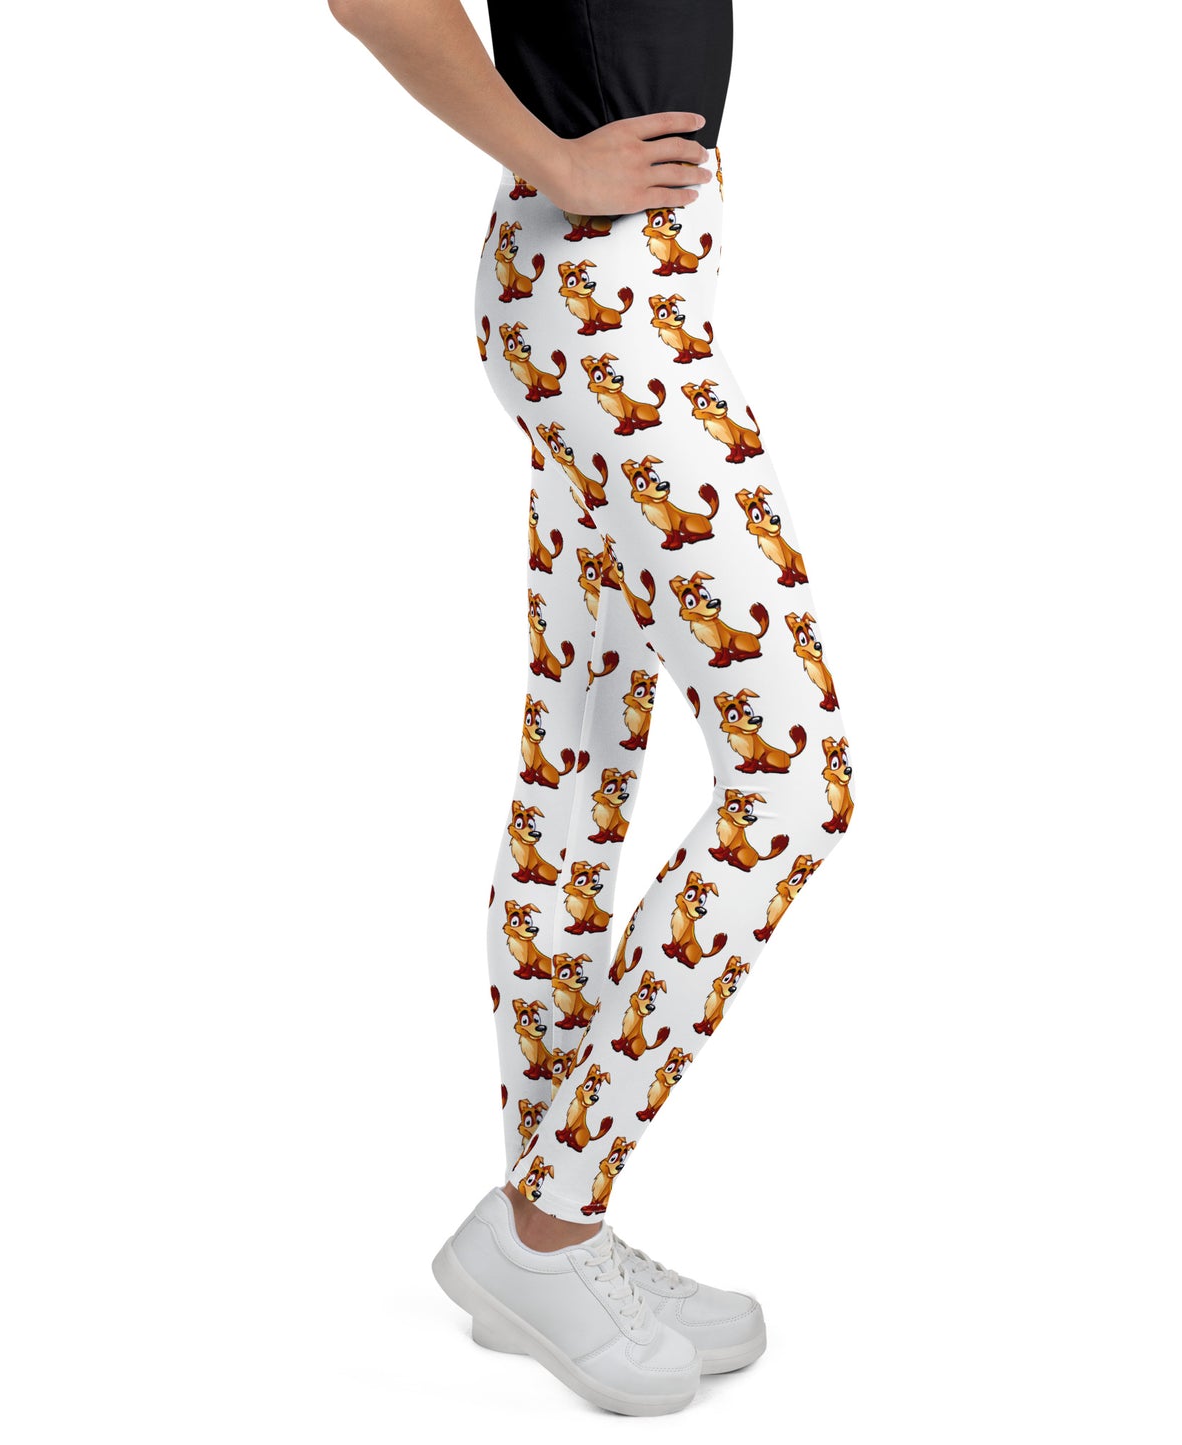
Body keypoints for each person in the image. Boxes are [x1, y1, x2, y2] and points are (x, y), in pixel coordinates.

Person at [329, 0, 855, 1415]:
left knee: (580, 765)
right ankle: (546, 1219)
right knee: (795, 784)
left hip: (625, 279)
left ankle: (553, 1243)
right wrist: (552, 157)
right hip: (599, 290)